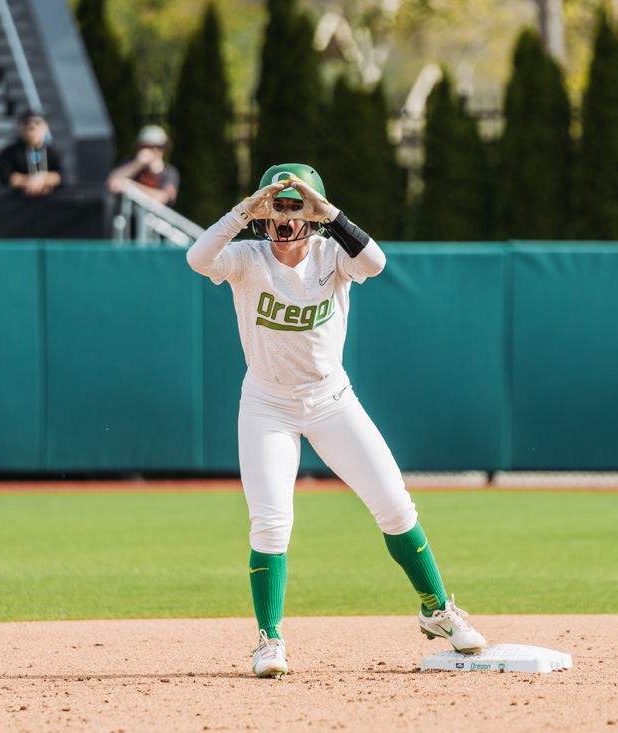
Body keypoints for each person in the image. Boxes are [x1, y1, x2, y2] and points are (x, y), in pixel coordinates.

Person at [185, 164, 486, 678]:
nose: (285, 217)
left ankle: (436, 610)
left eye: (295, 206)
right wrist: (244, 209)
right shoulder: (246, 257)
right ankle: (269, 639)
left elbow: (377, 261)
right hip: (268, 404)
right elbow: (197, 257)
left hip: (331, 399)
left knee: (394, 505)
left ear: (315, 215)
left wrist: (330, 213)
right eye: (277, 207)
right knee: (272, 522)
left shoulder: (332, 253)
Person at [107, 124, 180, 206]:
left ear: (162, 149)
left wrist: (131, 187)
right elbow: (111, 183)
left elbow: (162, 198)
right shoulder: (130, 163)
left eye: (153, 147)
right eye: (143, 146)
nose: (148, 151)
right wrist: (138, 163)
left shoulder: (170, 172)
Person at [0, 109, 61, 197]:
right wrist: (31, 181)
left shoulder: (53, 151)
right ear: (20, 127)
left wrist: (42, 179)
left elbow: (62, 176)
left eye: (37, 123)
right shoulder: (10, 152)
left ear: (45, 126)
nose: (32, 126)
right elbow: (6, 177)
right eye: (27, 123)